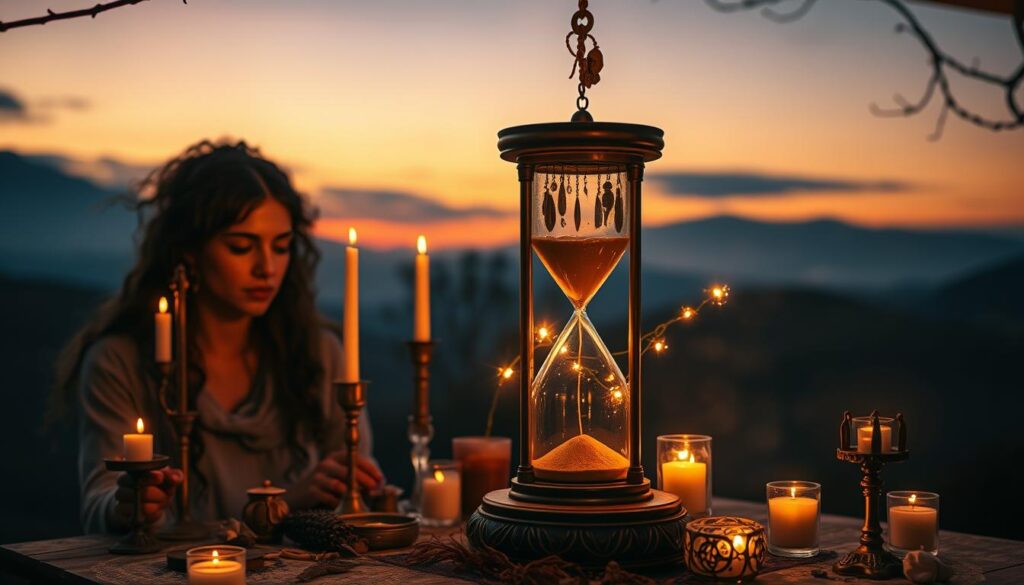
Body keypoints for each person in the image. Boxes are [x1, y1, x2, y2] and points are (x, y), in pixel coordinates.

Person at [51, 140, 383, 533]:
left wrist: (354, 481)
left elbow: (352, 490)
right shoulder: (121, 362)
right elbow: (99, 507)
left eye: (281, 247)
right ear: (190, 251)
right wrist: (131, 504)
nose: (267, 268)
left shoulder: (317, 354)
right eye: (241, 247)